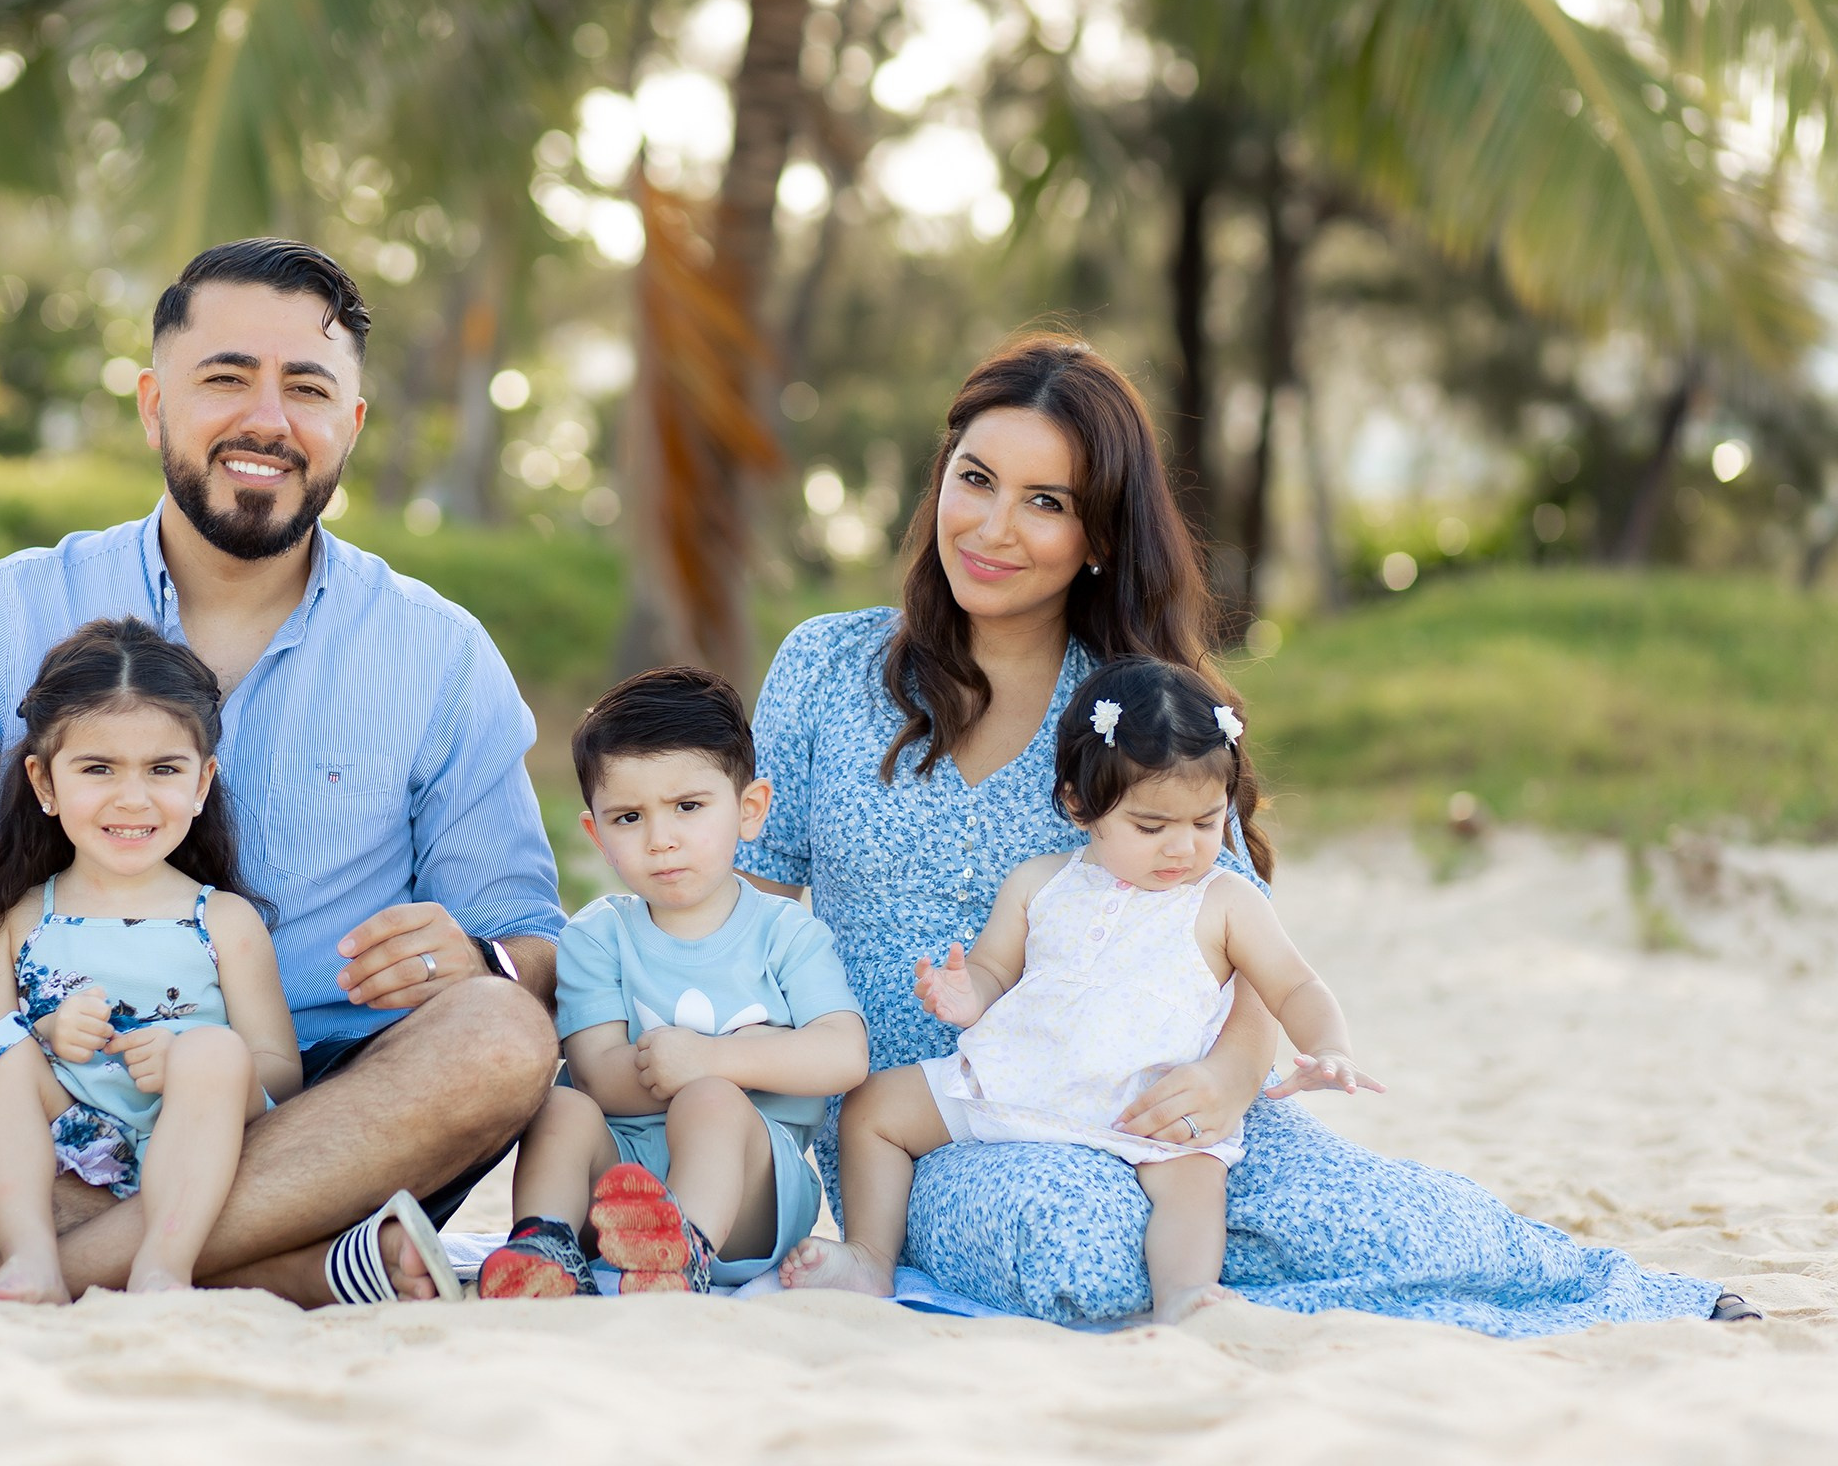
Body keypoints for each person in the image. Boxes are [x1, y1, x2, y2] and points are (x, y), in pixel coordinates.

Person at [741, 331, 1735, 1334]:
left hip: (1153, 1093)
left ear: (1098, 538)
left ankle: (1655, 1305)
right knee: (1082, 1252)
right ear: (941, 478)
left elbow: (1239, 936)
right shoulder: (827, 669)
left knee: (1379, 1219)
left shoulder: (1134, 707)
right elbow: (746, 918)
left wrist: (1224, 1077)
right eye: (977, 480)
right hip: (937, 1127)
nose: (994, 526)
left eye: (1046, 502)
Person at [0, 240, 564, 1307]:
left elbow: (530, 942)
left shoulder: (440, 652)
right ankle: (293, 1264)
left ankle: (3, 1265)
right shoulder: (11, 610)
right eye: (227, 377)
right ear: (154, 405)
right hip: (56, 1091)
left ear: (353, 424)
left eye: (308, 388)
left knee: (500, 1038)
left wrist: (479, 957)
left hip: (320, 1108)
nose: (269, 420)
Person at [784, 656, 1380, 1321]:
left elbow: (1293, 985)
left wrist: (1330, 1047)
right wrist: (964, 995)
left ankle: (1185, 1297)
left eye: (1205, 822)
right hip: (1022, 1078)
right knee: (872, 1109)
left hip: (1146, 1103)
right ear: (1078, 803)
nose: (1181, 848)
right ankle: (869, 1256)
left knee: (1194, 1182)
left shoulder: (1225, 900)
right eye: (1151, 827)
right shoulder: (1041, 883)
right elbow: (993, 970)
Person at [0, 618, 302, 1301]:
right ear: (45, 782)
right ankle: (31, 1259)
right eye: (98, 769)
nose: (133, 798)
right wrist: (44, 1034)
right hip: (64, 1137)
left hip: (194, 1137)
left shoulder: (223, 921)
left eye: (163, 769)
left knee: (216, 1052)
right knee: (2, 1059)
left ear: (202, 781)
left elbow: (281, 1073)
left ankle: (164, 1265)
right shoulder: (19, 917)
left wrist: (190, 1057)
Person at [477, 668, 867, 1297]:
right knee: (561, 1105)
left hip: (747, 1197)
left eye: (688, 807)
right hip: (617, 1185)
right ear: (597, 835)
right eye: (629, 817)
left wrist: (712, 1060)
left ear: (749, 810)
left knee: (709, 1098)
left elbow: (844, 1054)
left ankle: (678, 1256)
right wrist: (682, 1067)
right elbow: (600, 1075)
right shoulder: (597, 935)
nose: (661, 840)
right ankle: (545, 1244)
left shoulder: (786, 933)